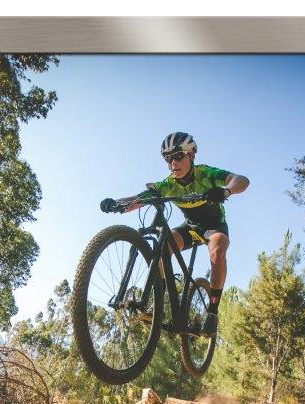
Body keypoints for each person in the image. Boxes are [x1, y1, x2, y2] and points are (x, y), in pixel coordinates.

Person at [100, 131, 249, 335]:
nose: (173, 164)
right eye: (168, 159)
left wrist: (225, 191)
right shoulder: (168, 184)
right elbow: (139, 199)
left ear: (191, 155)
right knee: (163, 247)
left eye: (178, 157)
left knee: (217, 249)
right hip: (190, 228)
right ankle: (158, 302)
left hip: (214, 228)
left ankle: (212, 312)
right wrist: (117, 204)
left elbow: (241, 180)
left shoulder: (205, 173)